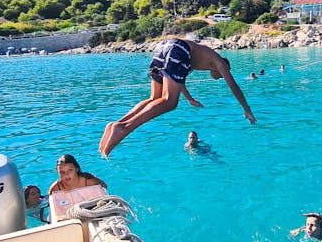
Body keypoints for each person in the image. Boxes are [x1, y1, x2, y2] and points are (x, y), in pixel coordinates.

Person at [99, 38, 257, 157]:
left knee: (155, 98)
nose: (221, 77)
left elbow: (178, 80)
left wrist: (189, 99)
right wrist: (247, 109)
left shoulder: (198, 59)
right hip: (178, 48)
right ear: (225, 67)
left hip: (164, 46)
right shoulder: (219, 62)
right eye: (223, 75)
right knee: (169, 102)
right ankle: (124, 128)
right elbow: (234, 86)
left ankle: (116, 124)